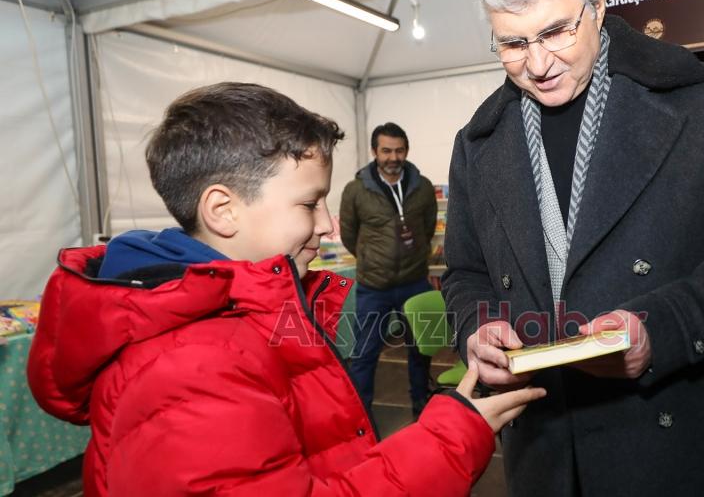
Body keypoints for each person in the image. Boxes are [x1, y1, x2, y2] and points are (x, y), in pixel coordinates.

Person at [27, 83, 545, 496]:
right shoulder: (191, 369)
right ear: (223, 210)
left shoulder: (233, 321)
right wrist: (453, 435)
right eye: (308, 204)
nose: (327, 226)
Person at [442, 0, 704, 497]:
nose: (537, 62)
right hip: (547, 450)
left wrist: (661, 330)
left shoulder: (696, 98)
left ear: (599, 6)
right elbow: (466, 273)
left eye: (555, 31)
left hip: (672, 444)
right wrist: (477, 327)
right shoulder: (478, 142)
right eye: (513, 42)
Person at [340, 123, 437, 418]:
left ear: (406, 151)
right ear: (374, 152)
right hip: (374, 287)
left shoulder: (422, 186)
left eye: (399, 150)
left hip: (414, 282)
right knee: (364, 355)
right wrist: (371, 258)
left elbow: (428, 227)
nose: (393, 157)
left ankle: (421, 407)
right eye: (386, 151)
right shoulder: (356, 190)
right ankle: (361, 417)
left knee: (420, 351)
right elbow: (348, 233)